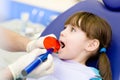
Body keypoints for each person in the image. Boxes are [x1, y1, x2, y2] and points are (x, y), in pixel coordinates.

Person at [26, 11, 112, 80]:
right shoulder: (48, 57)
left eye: (73, 30)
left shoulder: (88, 76)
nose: (62, 32)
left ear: (91, 45)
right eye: (65, 28)